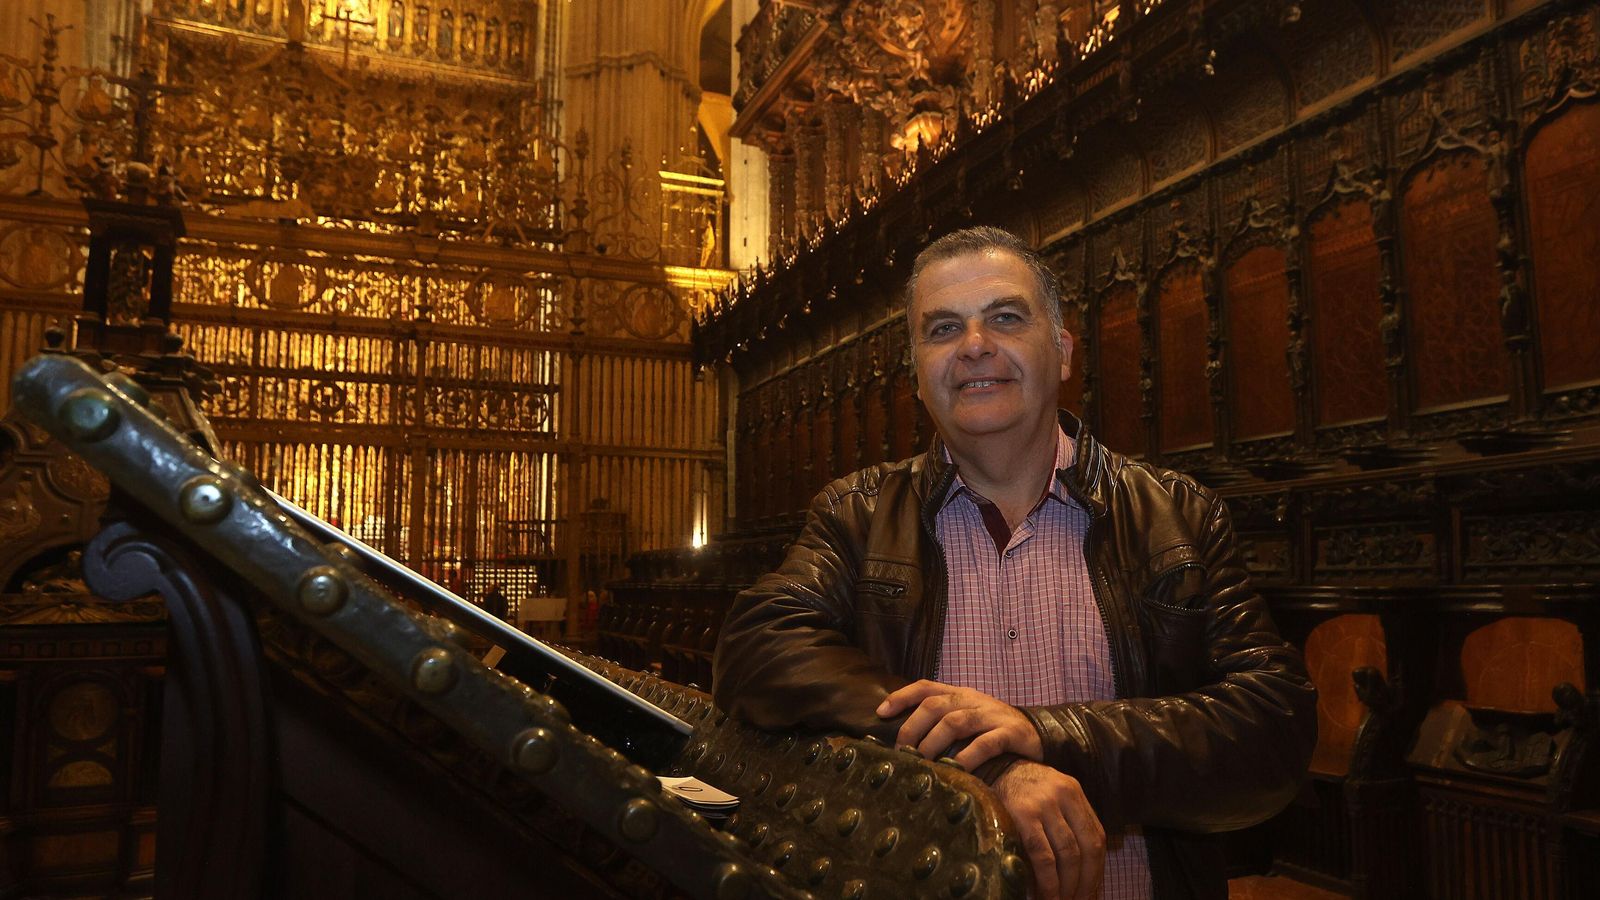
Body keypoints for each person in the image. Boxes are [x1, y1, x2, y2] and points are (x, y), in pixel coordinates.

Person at [713, 227, 1316, 900]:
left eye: (1005, 317)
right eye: (943, 328)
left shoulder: (1177, 516)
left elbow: (1273, 725)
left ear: (1060, 352)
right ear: (917, 373)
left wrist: (1047, 738)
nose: (974, 346)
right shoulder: (856, 516)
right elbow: (757, 649)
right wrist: (983, 765)